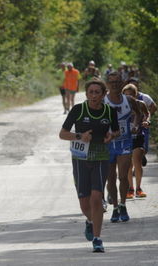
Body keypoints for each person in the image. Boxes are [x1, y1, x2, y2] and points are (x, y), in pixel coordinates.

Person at [60, 78, 119, 253]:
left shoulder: (109, 111)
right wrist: (79, 136)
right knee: (84, 204)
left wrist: (112, 136)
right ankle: (91, 221)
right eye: (91, 92)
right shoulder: (78, 109)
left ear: (103, 94)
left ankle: (97, 238)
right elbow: (62, 134)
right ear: (86, 94)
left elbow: (116, 130)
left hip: (101, 157)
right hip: (80, 159)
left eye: (97, 92)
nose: (94, 95)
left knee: (96, 198)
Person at [104, 71, 140, 223]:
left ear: (122, 83)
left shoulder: (129, 100)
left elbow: (139, 114)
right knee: (110, 179)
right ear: (107, 84)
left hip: (125, 142)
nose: (114, 85)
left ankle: (123, 204)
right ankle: (115, 207)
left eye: (117, 82)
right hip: (108, 144)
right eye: (111, 82)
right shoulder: (102, 100)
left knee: (123, 176)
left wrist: (135, 125)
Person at [122, 84, 150, 199]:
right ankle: (130, 188)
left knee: (137, 162)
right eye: (126, 94)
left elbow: (147, 114)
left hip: (138, 136)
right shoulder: (120, 106)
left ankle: (139, 188)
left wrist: (147, 122)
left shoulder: (140, 104)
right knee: (128, 165)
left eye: (131, 94)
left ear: (135, 95)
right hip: (125, 138)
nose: (129, 97)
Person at [127, 77, 157, 166]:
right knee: (131, 148)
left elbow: (154, 107)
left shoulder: (144, 97)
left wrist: (146, 118)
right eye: (131, 85)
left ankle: (140, 156)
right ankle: (135, 165)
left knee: (144, 147)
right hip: (130, 127)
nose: (133, 86)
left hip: (143, 126)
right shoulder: (124, 98)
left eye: (135, 85)